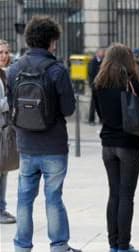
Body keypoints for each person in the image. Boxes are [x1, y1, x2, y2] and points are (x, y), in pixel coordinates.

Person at [7, 16, 80, 252]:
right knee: (53, 197)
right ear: (50, 41)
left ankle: (22, 246)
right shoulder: (57, 69)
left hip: (26, 144)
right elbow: (68, 109)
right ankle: (59, 246)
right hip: (54, 144)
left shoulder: (14, 68)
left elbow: (11, 106)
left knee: (24, 198)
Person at [94, 43, 139, 252]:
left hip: (108, 144)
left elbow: (99, 114)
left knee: (114, 194)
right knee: (126, 196)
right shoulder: (129, 81)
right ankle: (123, 245)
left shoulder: (99, 83)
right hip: (129, 144)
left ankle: (113, 244)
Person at [0, 39, 17, 224]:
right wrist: (10, 102)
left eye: (6, 52)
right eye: (1, 52)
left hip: (4, 129)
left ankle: (2, 207)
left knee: (3, 169)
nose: (4, 56)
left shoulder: (6, 74)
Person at [87, 48, 105, 125]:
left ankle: (101, 119)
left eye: (103, 52)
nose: (103, 53)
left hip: (102, 85)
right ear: (97, 53)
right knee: (93, 103)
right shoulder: (93, 61)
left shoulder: (103, 61)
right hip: (95, 85)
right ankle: (91, 119)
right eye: (102, 52)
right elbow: (91, 73)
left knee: (102, 103)